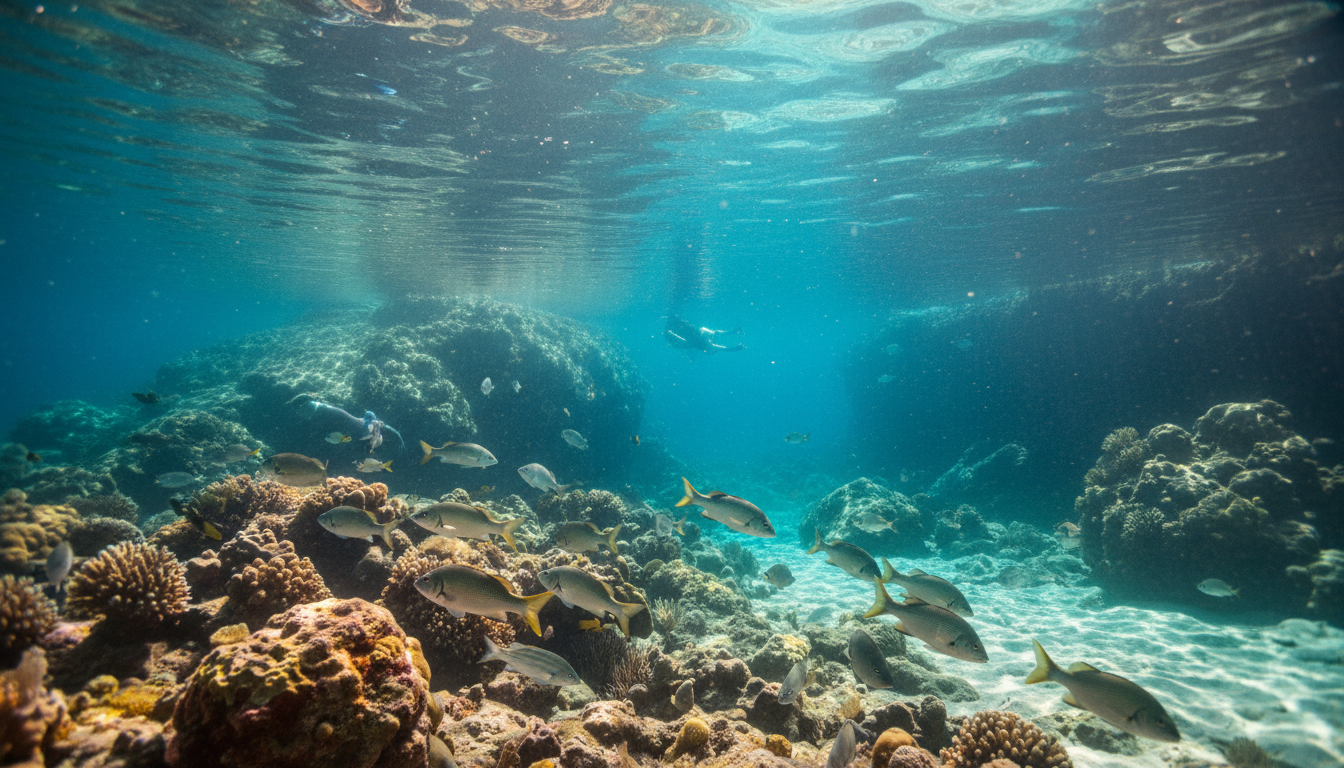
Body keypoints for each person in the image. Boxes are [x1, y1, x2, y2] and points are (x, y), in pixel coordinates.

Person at [663, 315, 745, 354]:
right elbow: (683, 342)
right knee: (714, 340)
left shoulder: (675, 327)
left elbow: (683, 343)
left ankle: (734, 335)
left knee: (714, 342)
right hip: (697, 336)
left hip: (697, 338)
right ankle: (734, 339)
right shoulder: (678, 325)